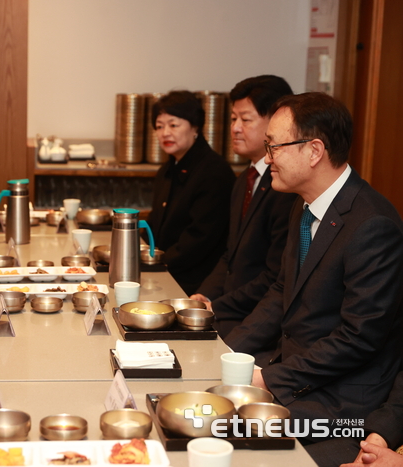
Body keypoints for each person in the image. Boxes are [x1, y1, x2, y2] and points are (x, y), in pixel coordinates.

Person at [224, 93, 403, 446]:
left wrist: (272, 379)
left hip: (341, 401)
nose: (267, 158)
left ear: (314, 151)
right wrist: (230, 351)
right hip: (295, 371)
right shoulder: (305, 205)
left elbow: (358, 338)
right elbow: (281, 290)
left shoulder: (372, 225)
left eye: (274, 147)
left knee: (226, 437)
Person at [190, 76, 297, 340]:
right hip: (229, 309)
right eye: (233, 119)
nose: (235, 128)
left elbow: (275, 276)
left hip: (257, 322)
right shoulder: (244, 180)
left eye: (245, 119)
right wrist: (204, 295)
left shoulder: (285, 188)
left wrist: (216, 306)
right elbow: (231, 255)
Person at [146, 90, 235, 295]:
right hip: (162, 274)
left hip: (195, 284)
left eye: (173, 125)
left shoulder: (213, 171)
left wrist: (156, 263)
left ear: (195, 127)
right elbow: (154, 224)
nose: (165, 133)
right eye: (159, 127)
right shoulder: (166, 170)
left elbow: (199, 239)